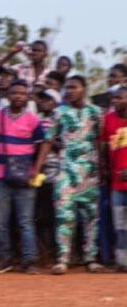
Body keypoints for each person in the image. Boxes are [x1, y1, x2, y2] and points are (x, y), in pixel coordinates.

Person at [32, 75, 104, 274]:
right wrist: (37, 167)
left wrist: (103, 168)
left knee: (91, 218)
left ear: (84, 89)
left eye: (74, 87)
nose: (70, 91)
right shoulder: (59, 113)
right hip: (66, 172)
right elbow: (48, 140)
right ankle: (62, 259)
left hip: (90, 173)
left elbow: (100, 141)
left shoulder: (96, 113)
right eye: (67, 88)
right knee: (64, 216)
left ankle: (91, 258)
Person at [0, 80, 45, 274]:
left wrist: (36, 169)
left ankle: (29, 260)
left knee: (25, 221)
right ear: (7, 95)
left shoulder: (33, 120)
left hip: (25, 176)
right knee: (0, 221)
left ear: (28, 96)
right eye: (14, 93)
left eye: (22, 93)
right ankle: (5, 258)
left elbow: (41, 146)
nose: (18, 96)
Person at [34, 88, 62, 265]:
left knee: (55, 215)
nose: (44, 102)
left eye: (48, 99)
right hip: (39, 174)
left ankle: (56, 252)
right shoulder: (36, 120)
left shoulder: (60, 119)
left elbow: (66, 143)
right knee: (41, 215)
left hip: (57, 174)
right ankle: (45, 252)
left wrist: (50, 141)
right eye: (42, 99)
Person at [100, 85, 127, 272]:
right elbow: (103, 146)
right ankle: (122, 262)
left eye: (120, 98)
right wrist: (105, 169)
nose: (115, 101)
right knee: (120, 225)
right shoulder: (109, 119)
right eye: (114, 98)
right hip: (117, 182)